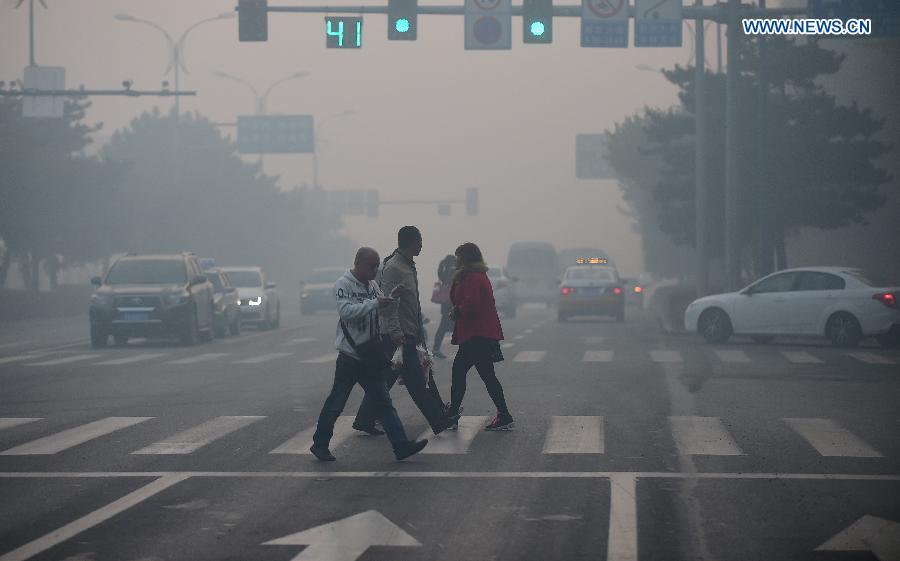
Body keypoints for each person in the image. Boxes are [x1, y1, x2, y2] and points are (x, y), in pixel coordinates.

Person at [309, 247, 429, 461]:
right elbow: (347, 312)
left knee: (384, 403)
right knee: (336, 403)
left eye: (376, 266)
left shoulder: (372, 285)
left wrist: (391, 298)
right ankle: (320, 444)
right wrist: (376, 303)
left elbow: (380, 309)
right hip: (350, 356)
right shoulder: (343, 284)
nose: (375, 270)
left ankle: (401, 446)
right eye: (371, 266)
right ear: (358, 263)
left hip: (370, 356)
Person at [354, 226, 457, 435]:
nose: (421, 245)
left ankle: (364, 419)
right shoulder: (394, 268)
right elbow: (389, 303)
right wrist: (396, 332)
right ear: (411, 242)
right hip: (397, 335)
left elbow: (410, 302)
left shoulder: (407, 265)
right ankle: (438, 422)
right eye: (419, 241)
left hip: (408, 331)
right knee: (418, 384)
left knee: (387, 380)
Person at [446, 242, 514, 431]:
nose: (455, 260)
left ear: (466, 258)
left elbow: (472, 303)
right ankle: (502, 413)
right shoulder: (468, 276)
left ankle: (454, 414)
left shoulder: (474, 277)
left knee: (468, 373)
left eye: (458, 257)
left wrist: (457, 311)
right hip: (474, 333)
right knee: (477, 374)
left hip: (477, 334)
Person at [432, 254, 456, 359]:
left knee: (443, 327)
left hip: (446, 305)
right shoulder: (452, 272)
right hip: (452, 304)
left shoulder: (444, 272)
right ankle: (436, 349)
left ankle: (436, 349)